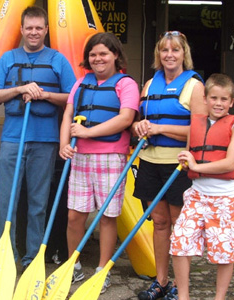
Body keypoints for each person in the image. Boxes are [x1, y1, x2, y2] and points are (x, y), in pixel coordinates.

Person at [0, 6, 76, 269]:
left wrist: (45, 95)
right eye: (29, 28)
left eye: (39, 28)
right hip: (13, 138)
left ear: (46, 30)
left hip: (45, 140)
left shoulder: (58, 60)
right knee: (7, 202)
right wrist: (20, 89)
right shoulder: (8, 58)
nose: (34, 32)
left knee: (38, 203)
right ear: (22, 30)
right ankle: (6, 256)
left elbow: (73, 98)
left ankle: (32, 258)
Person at [59, 32, 139, 294]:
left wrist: (87, 133)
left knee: (107, 217)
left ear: (115, 55)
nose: (97, 59)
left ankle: (102, 270)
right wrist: (64, 144)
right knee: (74, 216)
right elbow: (68, 115)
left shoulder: (126, 84)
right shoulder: (81, 83)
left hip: (110, 157)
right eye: (93, 55)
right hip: (80, 156)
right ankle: (74, 265)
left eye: (103, 53)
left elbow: (125, 119)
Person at [132, 31, 207, 300]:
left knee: (179, 224)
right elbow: (139, 122)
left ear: (183, 54)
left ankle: (179, 284)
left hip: (178, 166)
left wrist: (161, 127)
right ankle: (161, 281)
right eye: (164, 50)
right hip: (150, 162)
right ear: (158, 55)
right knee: (160, 222)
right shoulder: (151, 84)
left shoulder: (194, 86)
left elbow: (199, 132)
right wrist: (138, 125)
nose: (169, 55)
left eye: (175, 50)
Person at [171, 73, 234, 300]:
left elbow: (230, 162)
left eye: (224, 99)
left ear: (231, 102)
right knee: (179, 243)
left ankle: (219, 297)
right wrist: (186, 160)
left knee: (224, 252)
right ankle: (183, 296)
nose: (218, 103)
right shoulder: (196, 123)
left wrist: (197, 165)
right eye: (214, 98)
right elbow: (190, 154)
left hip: (225, 198)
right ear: (205, 99)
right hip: (197, 194)